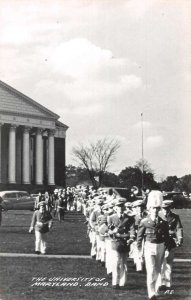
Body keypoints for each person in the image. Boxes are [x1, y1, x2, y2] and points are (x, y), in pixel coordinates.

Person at [137, 191, 170, 300]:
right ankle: (151, 293)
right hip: (149, 246)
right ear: (149, 209)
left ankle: (156, 291)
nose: (155, 210)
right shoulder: (144, 221)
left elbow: (166, 237)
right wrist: (139, 250)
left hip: (160, 246)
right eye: (153, 208)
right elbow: (140, 237)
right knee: (150, 270)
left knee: (158, 270)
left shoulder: (163, 222)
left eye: (157, 208)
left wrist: (167, 248)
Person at [108, 198, 135, 289]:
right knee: (115, 263)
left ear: (124, 207)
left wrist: (131, 238)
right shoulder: (111, 217)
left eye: (121, 206)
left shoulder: (129, 218)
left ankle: (122, 283)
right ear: (115, 207)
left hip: (125, 242)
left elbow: (132, 230)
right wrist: (113, 232)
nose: (120, 208)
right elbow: (107, 230)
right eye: (118, 206)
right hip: (116, 242)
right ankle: (115, 282)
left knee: (124, 263)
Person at [158, 199, 183, 293]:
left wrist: (179, 238)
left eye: (167, 208)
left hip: (171, 242)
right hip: (161, 242)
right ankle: (161, 283)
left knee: (169, 264)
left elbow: (179, 228)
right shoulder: (158, 216)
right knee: (160, 264)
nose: (165, 210)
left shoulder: (175, 217)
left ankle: (168, 284)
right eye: (164, 208)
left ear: (170, 208)